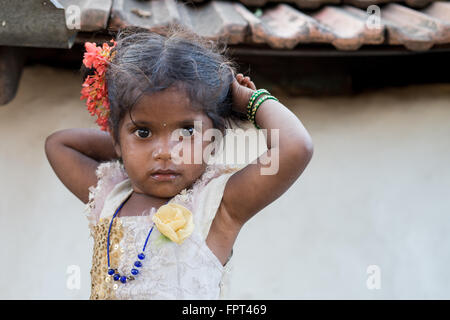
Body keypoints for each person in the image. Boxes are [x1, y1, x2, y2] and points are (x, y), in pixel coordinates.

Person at [45, 25, 314, 300]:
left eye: (186, 132)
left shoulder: (219, 204)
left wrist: (251, 102)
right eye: (144, 132)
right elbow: (59, 145)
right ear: (116, 138)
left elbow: (295, 148)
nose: (164, 151)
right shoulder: (110, 196)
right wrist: (128, 147)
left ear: (213, 139)